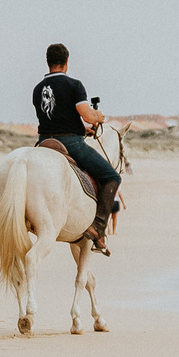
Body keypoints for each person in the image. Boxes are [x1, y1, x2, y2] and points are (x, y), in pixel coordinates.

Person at [33, 41, 119, 252]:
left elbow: (56, 116)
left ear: (48, 62)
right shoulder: (74, 85)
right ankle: (98, 228)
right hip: (70, 143)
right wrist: (97, 116)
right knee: (112, 177)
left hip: (43, 142)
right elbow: (88, 115)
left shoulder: (37, 89)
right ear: (66, 62)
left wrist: (82, 129)